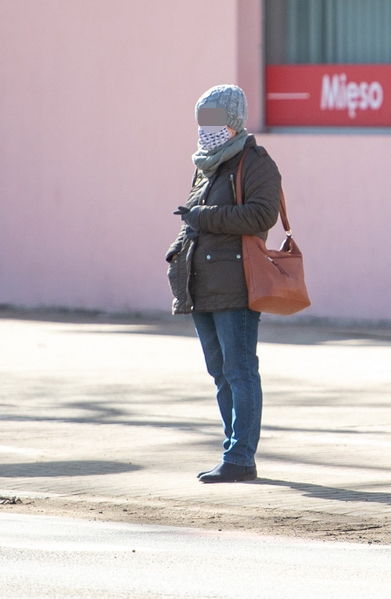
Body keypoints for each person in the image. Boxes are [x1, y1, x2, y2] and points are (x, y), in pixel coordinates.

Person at [166, 85, 282, 483]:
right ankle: (231, 449)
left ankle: (240, 458)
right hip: (202, 285)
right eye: (201, 120)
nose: (205, 129)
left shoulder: (256, 162)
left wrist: (202, 217)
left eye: (212, 120)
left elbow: (260, 216)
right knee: (220, 372)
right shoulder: (206, 163)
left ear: (232, 122)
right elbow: (192, 218)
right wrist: (177, 254)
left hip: (237, 283)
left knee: (240, 370)